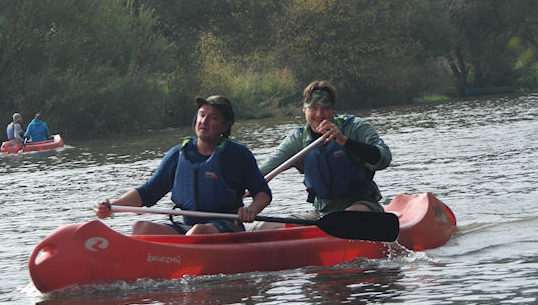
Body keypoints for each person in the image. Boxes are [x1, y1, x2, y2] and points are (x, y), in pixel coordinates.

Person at [94, 95, 272, 235]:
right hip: (186, 227)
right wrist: (112, 206)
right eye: (202, 115)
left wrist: (251, 209)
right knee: (140, 227)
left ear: (226, 126)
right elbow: (147, 193)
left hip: (226, 226)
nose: (204, 121)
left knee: (198, 232)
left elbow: (263, 194)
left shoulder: (238, 155)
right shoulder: (177, 154)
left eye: (213, 118)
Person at [257, 80, 392, 218]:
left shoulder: (356, 128)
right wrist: (237, 190)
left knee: (346, 218)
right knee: (277, 225)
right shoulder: (298, 140)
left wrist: (344, 141)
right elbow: (264, 172)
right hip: (322, 213)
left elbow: (384, 158)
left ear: (333, 110)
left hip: (363, 205)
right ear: (305, 110)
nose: (319, 114)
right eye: (313, 108)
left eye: (325, 108)